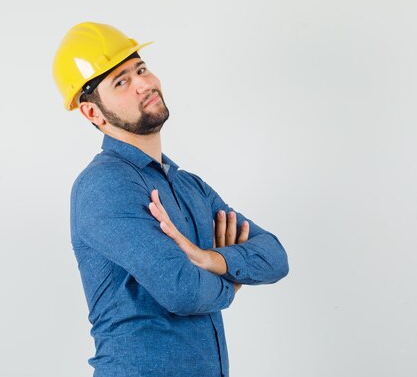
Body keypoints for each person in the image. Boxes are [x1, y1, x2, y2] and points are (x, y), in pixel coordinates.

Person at [52, 22, 289, 377]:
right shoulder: (103, 186)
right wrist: (233, 282)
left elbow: (275, 257)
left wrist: (211, 259)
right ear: (92, 112)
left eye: (141, 69)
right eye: (122, 81)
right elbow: (183, 291)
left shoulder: (189, 186)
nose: (144, 84)